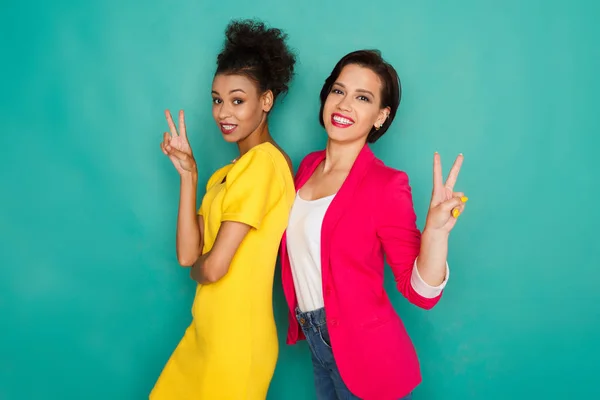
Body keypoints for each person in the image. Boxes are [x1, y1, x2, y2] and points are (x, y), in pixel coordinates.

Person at [280, 50, 468, 400]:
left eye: (362, 97)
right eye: (338, 91)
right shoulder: (307, 168)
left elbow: (419, 292)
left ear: (381, 116)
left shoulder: (386, 184)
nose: (345, 104)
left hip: (367, 356)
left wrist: (437, 234)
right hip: (318, 346)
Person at [150, 19, 296, 399]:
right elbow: (187, 255)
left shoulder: (264, 164)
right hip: (205, 332)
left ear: (265, 101)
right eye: (217, 99)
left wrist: (203, 266)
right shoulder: (225, 174)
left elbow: (212, 266)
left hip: (237, 342)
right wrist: (189, 176)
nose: (223, 113)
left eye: (237, 99)